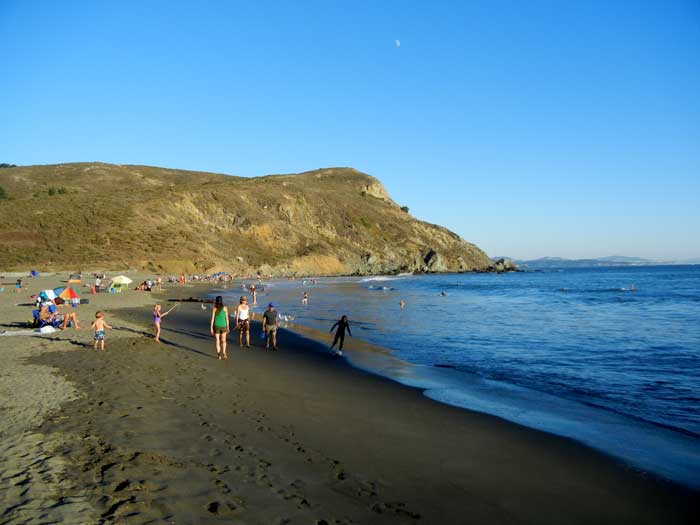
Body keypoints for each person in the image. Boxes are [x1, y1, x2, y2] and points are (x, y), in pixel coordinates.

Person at [210, 295, 229, 360]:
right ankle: (224, 352)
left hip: (216, 326)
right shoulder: (225, 308)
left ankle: (219, 355)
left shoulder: (214, 308)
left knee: (217, 341)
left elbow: (212, 319)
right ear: (221, 301)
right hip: (223, 326)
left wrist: (211, 328)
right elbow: (227, 319)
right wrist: (228, 327)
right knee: (223, 341)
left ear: (216, 301)